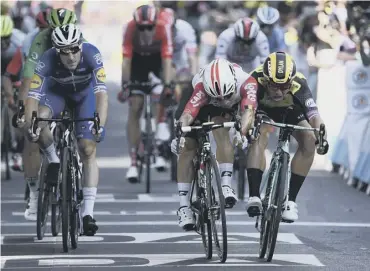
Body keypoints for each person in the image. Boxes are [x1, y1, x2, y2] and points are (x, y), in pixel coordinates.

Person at [24, 24, 108, 235]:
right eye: (64, 51)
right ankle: (53, 158)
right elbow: (33, 96)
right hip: (57, 95)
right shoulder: (46, 59)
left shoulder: (92, 54)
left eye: (74, 49)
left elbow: (101, 95)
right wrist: (32, 125)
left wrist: (100, 123)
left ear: (81, 45)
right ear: (56, 50)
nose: (70, 56)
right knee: (39, 119)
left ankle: (87, 213)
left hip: (84, 97)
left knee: (87, 148)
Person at [171, 58, 258, 230]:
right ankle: (184, 207)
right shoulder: (202, 87)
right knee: (188, 146)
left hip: (228, 109)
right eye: (219, 97)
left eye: (226, 96)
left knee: (221, 130)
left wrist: (242, 133)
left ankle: (225, 185)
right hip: (201, 102)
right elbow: (188, 114)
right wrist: (179, 134)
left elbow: (249, 112)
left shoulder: (247, 82)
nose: (223, 100)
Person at [245, 51, 328, 222]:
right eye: (274, 85)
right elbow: (247, 110)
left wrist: (321, 135)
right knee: (258, 136)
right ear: (266, 80)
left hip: (291, 111)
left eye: (284, 87)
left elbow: (314, 116)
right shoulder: (255, 79)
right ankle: (254, 196)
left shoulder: (299, 82)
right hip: (262, 110)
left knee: (309, 139)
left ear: (291, 82)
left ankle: (290, 201)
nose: (278, 92)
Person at [14, 8, 78, 221]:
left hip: (70, 86)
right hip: (45, 86)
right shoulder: (39, 39)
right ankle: (34, 194)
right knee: (30, 131)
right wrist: (24, 111)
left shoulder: (80, 40)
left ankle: (75, 173)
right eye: (54, 30)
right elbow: (28, 81)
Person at [117, 4, 175, 183]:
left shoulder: (163, 28)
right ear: (136, 24)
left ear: (155, 23)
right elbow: (126, 61)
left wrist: (167, 85)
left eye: (149, 27)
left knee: (161, 96)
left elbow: (167, 61)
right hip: (137, 63)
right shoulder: (129, 29)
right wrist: (125, 85)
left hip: (156, 62)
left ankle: (159, 138)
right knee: (135, 106)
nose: (146, 31)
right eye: (142, 27)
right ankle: (134, 160)